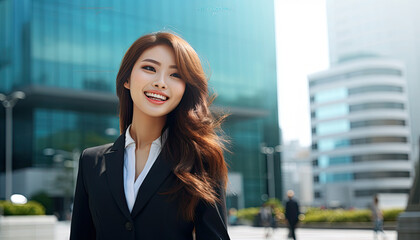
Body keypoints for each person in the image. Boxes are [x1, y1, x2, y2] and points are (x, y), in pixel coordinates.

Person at [70, 31, 230, 240]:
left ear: (185, 89)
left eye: (175, 75)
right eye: (149, 68)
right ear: (126, 79)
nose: (161, 82)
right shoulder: (91, 161)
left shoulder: (200, 160)